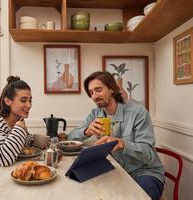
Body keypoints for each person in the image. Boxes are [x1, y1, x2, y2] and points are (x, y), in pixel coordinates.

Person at [68, 71, 164, 200]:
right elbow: (70, 138)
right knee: (75, 183)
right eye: (91, 93)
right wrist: (87, 131)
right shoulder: (96, 113)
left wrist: (122, 144)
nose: (94, 96)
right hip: (114, 170)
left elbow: (149, 154)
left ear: (112, 89)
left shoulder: (138, 112)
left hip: (143, 172)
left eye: (98, 90)